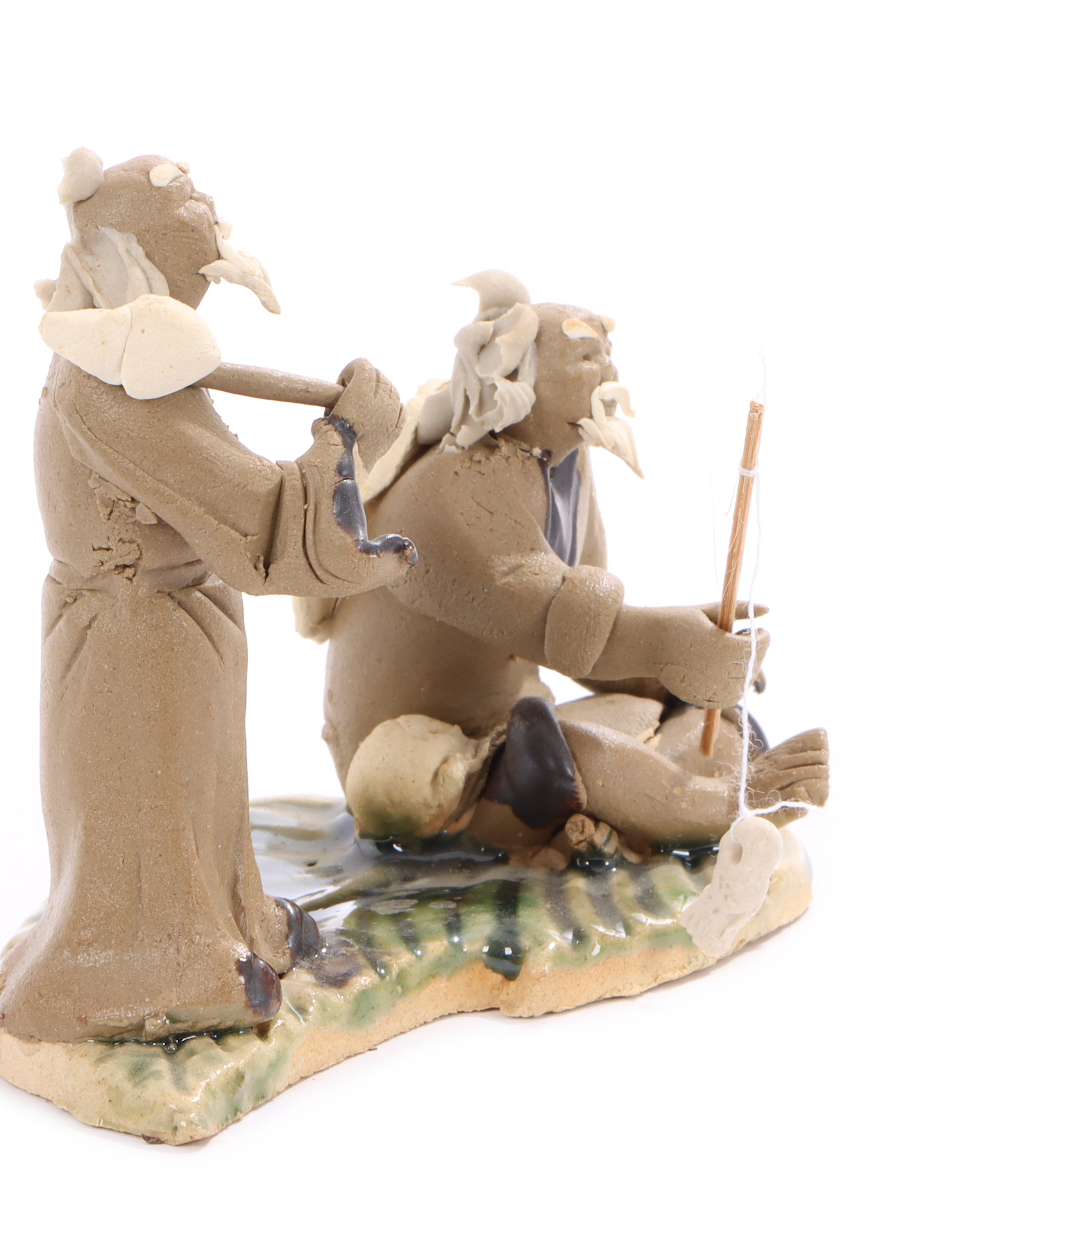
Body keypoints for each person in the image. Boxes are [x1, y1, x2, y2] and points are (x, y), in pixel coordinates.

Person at [0, 152, 413, 1043]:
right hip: (132, 632)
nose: (209, 225)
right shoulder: (110, 393)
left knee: (201, 789)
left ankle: (233, 923)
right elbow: (258, 518)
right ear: (135, 260)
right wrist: (346, 439)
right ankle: (154, 970)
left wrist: (337, 449)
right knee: (147, 805)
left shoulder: (140, 370)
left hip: (179, 620)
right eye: (188, 222)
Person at [311, 272, 828, 859]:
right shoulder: (455, 488)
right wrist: (672, 649)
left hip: (514, 724)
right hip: (425, 766)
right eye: (586, 357)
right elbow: (554, 623)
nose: (608, 371)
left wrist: (680, 668)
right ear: (515, 376)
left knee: (659, 712)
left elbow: (592, 635)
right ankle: (720, 806)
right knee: (583, 749)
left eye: (607, 354)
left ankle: (624, 793)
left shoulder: (560, 465)